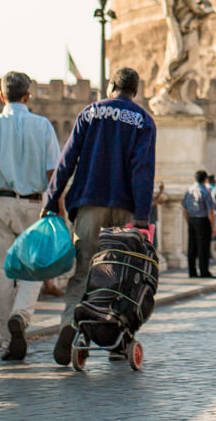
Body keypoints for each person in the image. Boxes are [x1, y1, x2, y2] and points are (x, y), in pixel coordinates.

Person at [44, 66, 157, 365]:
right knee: (120, 273)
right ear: (135, 91)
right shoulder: (143, 121)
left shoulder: (90, 113)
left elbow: (66, 160)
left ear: (110, 87)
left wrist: (50, 198)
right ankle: (119, 338)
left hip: (88, 202)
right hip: (125, 207)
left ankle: (70, 324)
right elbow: (142, 170)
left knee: (83, 273)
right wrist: (143, 216)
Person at [0, 70, 60, 362]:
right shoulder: (43, 125)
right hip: (33, 204)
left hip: (1, 203)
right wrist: (57, 205)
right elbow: (53, 172)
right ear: (28, 96)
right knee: (33, 269)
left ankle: (8, 341)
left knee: (2, 272)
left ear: (1, 95)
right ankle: (20, 315)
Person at [181, 170, 216, 278]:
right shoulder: (205, 192)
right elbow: (210, 211)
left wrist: (188, 220)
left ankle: (192, 271)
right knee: (203, 247)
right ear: (205, 179)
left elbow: (184, 208)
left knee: (192, 246)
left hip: (192, 220)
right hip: (203, 220)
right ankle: (204, 270)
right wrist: (213, 226)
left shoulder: (189, 191)